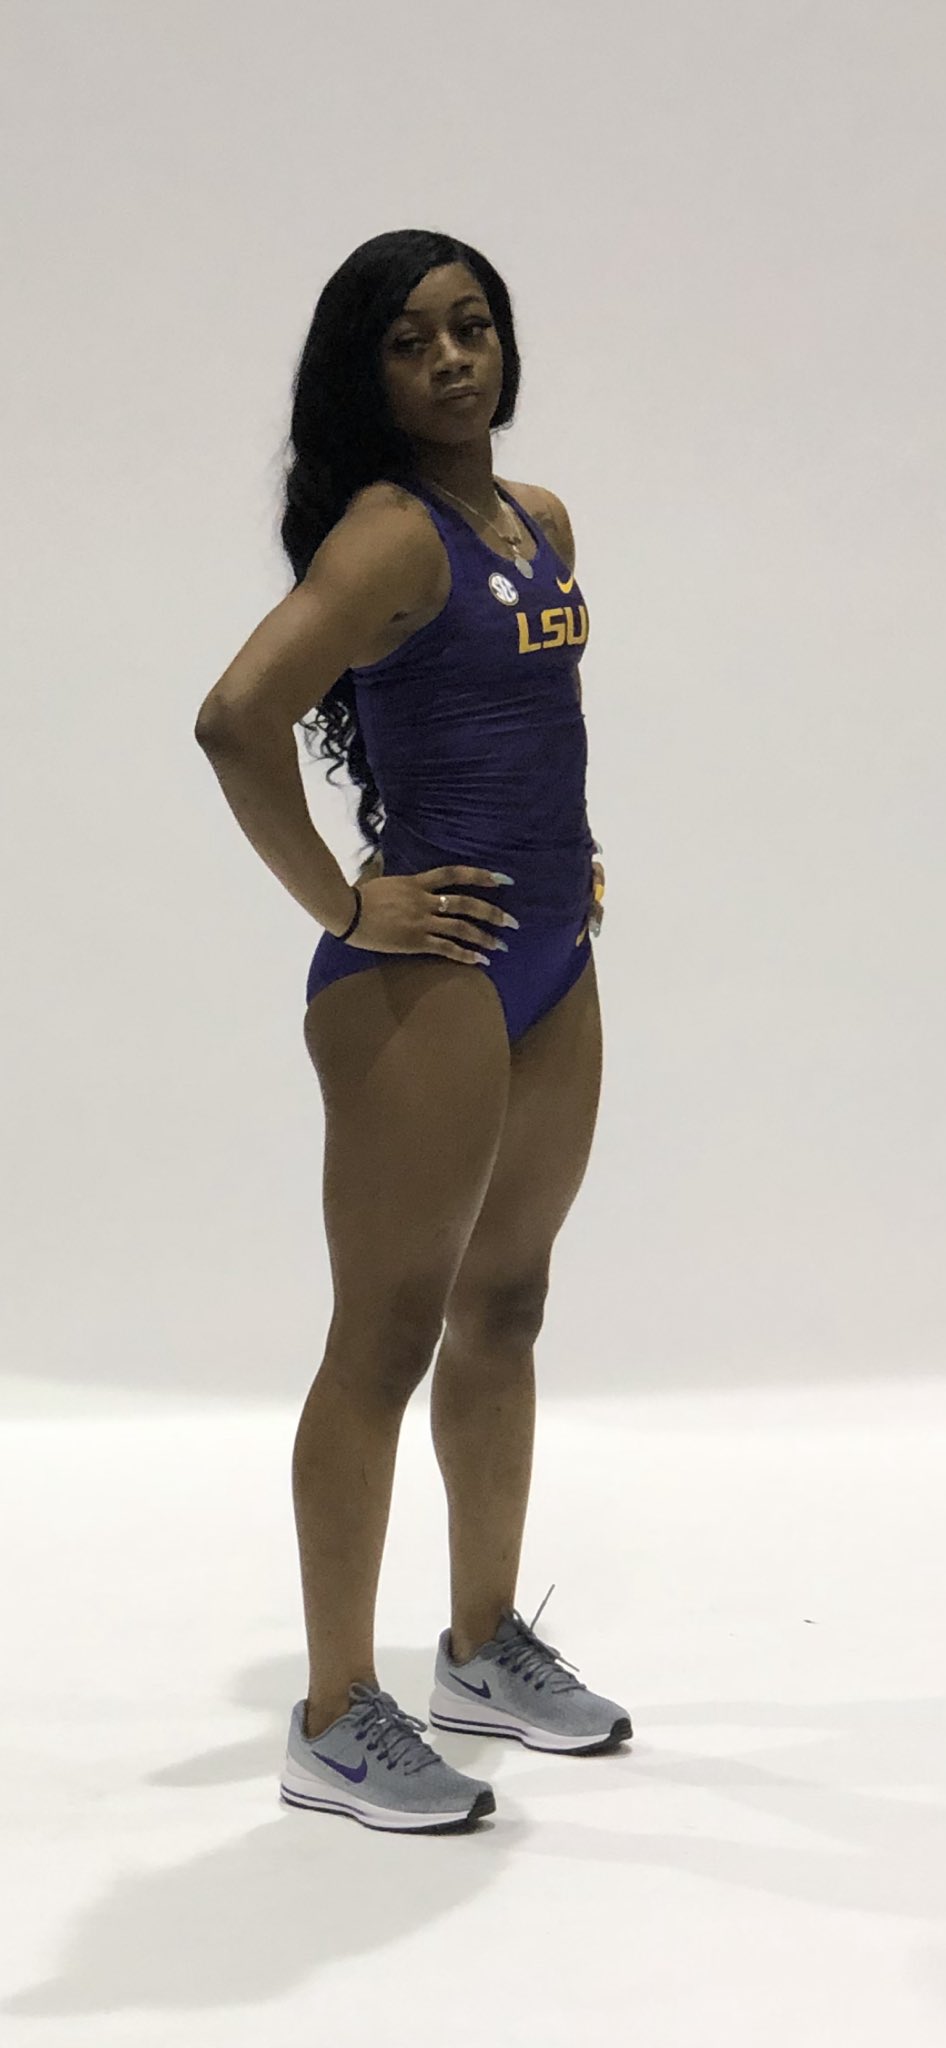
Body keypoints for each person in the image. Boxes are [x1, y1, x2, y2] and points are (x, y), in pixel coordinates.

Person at [195, 229, 628, 1835]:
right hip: (419, 981)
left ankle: (478, 1646)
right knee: (384, 1337)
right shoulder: (385, 535)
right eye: (410, 340)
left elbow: (525, 722)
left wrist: (568, 860)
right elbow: (233, 720)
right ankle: (330, 1717)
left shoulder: (539, 519)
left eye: (473, 326)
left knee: (505, 1305)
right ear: (363, 374)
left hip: (549, 959)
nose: (452, 359)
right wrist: (343, 902)